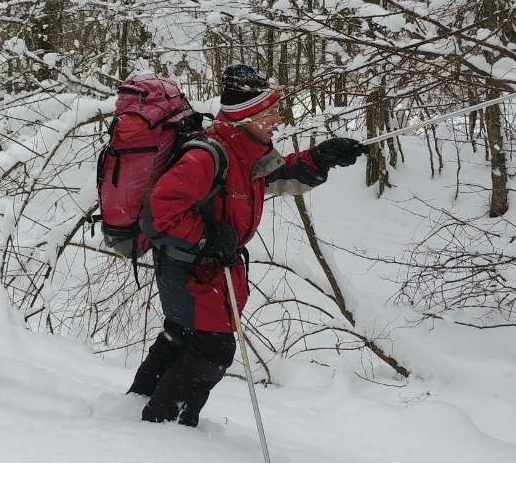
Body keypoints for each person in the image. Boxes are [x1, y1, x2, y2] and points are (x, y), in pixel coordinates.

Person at [128, 64, 364, 426]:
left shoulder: (244, 151)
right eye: (270, 113)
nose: (278, 120)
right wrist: (207, 239)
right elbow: (159, 213)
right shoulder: (208, 155)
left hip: (197, 268)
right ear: (246, 117)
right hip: (190, 268)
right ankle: (163, 428)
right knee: (212, 348)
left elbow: (271, 178)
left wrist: (318, 160)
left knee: (183, 337)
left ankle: (137, 408)